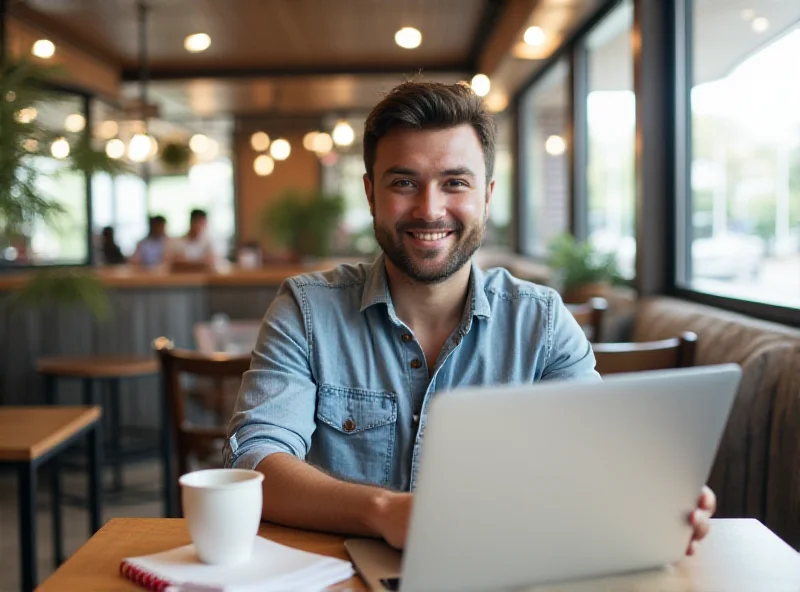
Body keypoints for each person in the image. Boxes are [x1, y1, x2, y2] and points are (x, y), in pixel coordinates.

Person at [224, 81, 715, 554]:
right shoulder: (306, 309)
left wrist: (651, 500)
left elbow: (592, 463)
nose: (429, 208)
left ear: (487, 195)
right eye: (404, 183)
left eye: (455, 182)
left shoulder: (542, 324)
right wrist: (384, 511)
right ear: (372, 194)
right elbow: (254, 459)